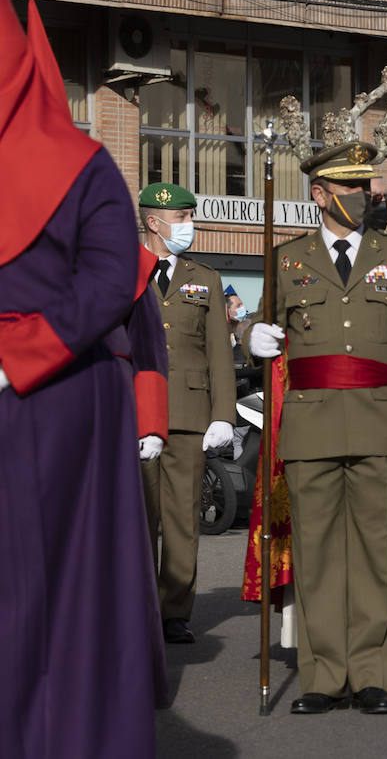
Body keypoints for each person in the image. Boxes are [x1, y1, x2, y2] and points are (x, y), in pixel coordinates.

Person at [0, 0, 165, 757]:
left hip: (57, 399)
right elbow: (108, 278)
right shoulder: (92, 162)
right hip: (49, 382)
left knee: (52, 588)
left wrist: (16, 354)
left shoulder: (84, 165)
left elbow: (110, 285)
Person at [247, 139, 387, 714]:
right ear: (320, 194)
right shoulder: (285, 259)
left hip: (381, 420)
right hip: (311, 422)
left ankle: (373, 675)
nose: (365, 197)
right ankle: (321, 676)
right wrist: (251, 339)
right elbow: (259, 327)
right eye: (352, 189)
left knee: (378, 555)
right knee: (316, 556)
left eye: (367, 188)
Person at [137, 181, 237, 644]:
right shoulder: (122, 270)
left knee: (182, 517)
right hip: (135, 414)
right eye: (181, 219)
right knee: (137, 518)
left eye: (189, 217)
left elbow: (219, 351)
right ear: (154, 223)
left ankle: (174, 610)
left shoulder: (207, 278)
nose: (188, 226)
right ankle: (134, 607)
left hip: (191, 414)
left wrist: (224, 414)